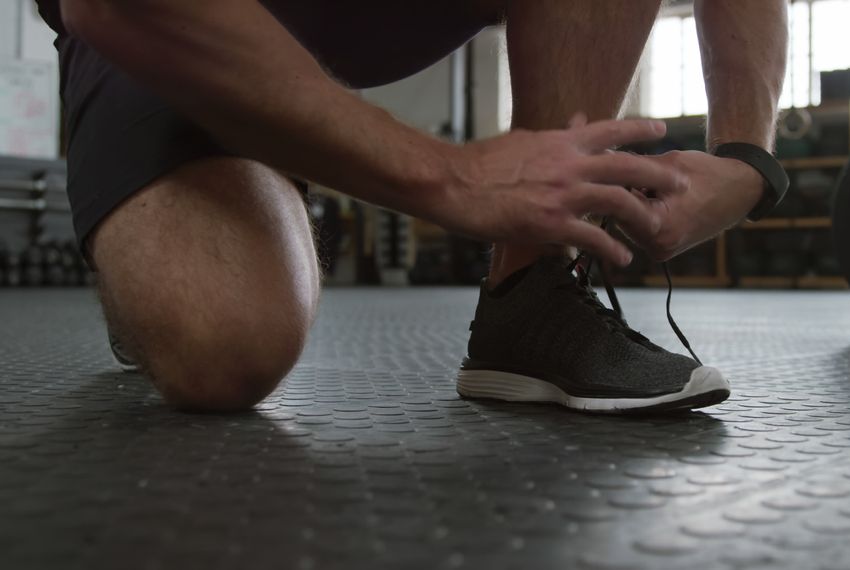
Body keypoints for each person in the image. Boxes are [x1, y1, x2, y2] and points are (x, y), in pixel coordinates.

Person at [35, 0, 788, 413]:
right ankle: (240, 142)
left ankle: (532, 292)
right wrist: (454, 178)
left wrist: (747, 159)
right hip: (186, 24)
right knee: (225, 348)